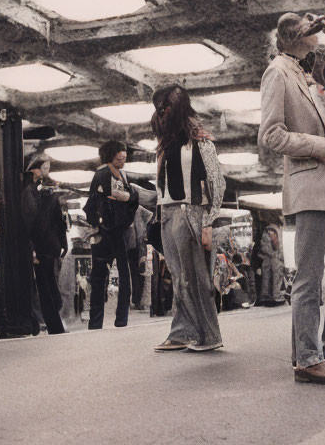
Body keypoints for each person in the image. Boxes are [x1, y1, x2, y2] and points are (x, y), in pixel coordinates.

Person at [258, 11, 325, 384]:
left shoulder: (306, 72)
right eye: (307, 26)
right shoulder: (277, 72)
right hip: (311, 187)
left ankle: (321, 351)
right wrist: (324, 143)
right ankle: (307, 359)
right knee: (309, 278)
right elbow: (271, 136)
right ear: (294, 37)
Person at [125, 83, 226, 352]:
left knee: (195, 277)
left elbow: (217, 182)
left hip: (189, 211)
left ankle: (208, 335)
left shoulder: (200, 140)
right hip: (168, 213)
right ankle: (182, 332)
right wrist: (134, 195)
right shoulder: (165, 142)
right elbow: (163, 191)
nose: (161, 112)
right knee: (181, 277)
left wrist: (208, 221)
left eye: (165, 107)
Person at [84, 141, 138, 329]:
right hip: (105, 231)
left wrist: (126, 197)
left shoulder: (123, 175)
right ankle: (96, 322)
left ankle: (120, 320)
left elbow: (133, 198)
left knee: (123, 277)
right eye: (118, 159)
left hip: (119, 230)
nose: (122, 162)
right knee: (100, 278)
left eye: (124, 158)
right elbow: (92, 203)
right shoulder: (101, 175)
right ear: (110, 157)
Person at [22, 155, 68, 335]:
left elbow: (56, 221)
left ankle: (52, 323)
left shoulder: (42, 192)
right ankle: (54, 326)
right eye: (44, 167)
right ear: (34, 169)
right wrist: (32, 248)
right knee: (46, 287)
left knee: (49, 286)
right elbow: (29, 223)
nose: (47, 171)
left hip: (50, 245)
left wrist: (62, 242)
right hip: (42, 245)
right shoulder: (30, 192)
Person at [256, 224, 285, 306]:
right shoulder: (274, 229)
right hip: (274, 256)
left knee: (266, 277)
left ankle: (265, 296)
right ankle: (276, 296)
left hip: (266, 257)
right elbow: (275, 242)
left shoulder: (266, 229)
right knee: (277, 276)